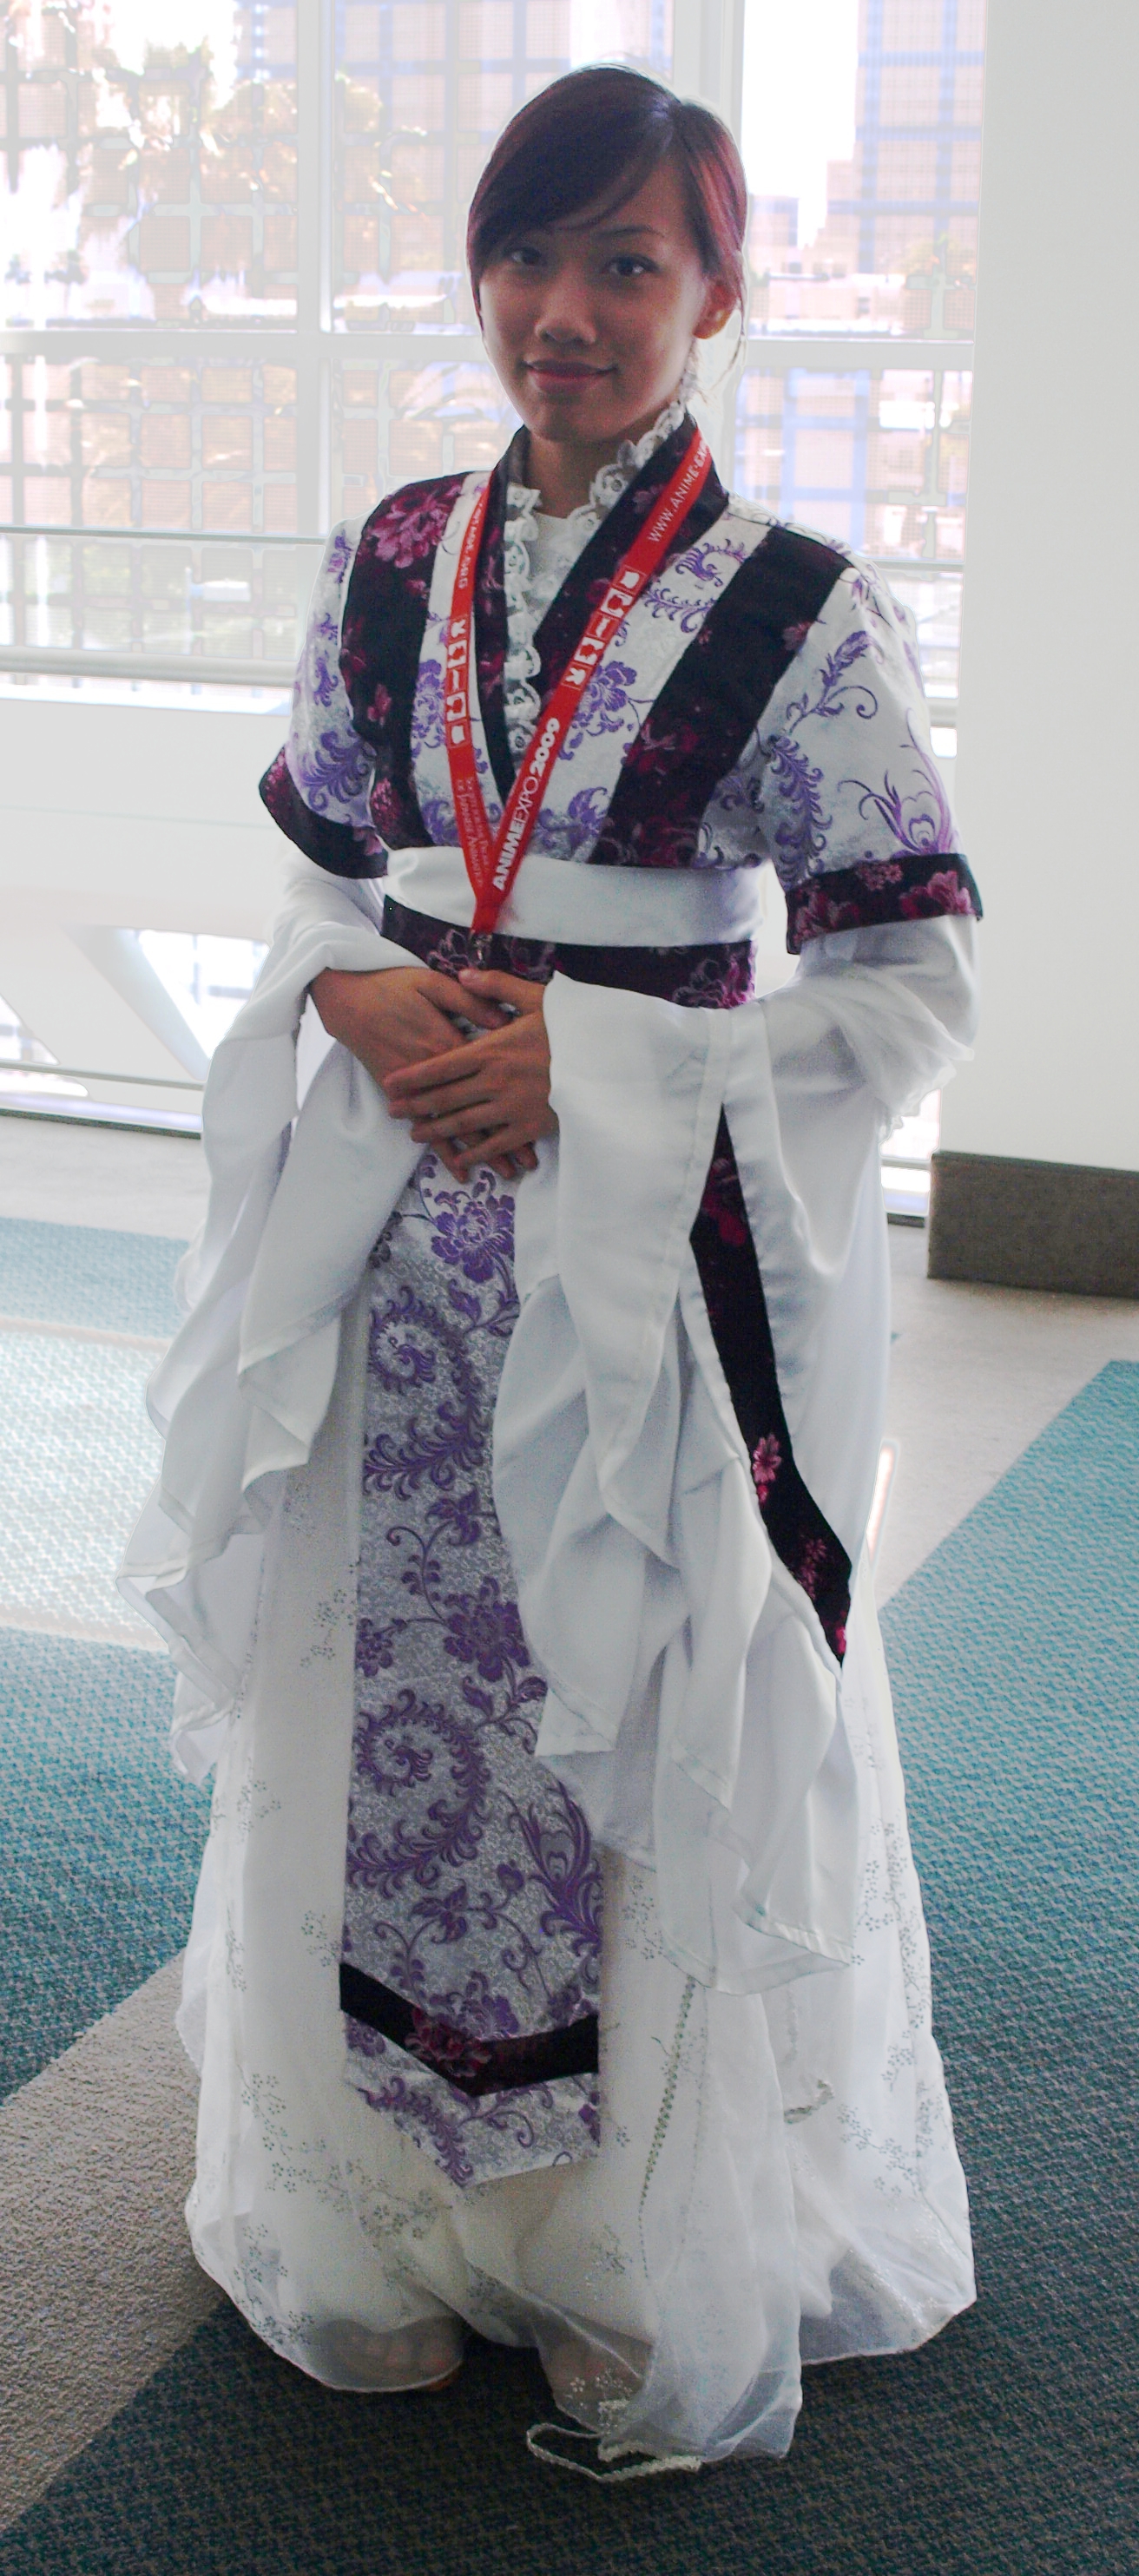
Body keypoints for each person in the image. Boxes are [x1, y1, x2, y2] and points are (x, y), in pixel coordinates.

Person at [122, 65, 980, 2474]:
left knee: (627, 1710)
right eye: (527, 255)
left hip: (654, 1290)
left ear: (721, 288)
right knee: (365, 1700)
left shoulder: (800, 612)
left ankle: (617, 2248)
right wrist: (348, 992)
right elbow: (324, 877)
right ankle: (382, 2220)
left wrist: (598, 1068)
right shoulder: (389, 558)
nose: (565, 312)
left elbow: (911, 987)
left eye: (627, 262)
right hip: (388, 1245)